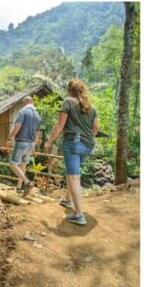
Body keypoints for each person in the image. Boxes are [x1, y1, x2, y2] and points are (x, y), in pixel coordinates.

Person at [44, 79, 99, 226]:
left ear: (70, 90)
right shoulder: (90, 107)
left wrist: (49, 141)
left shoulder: (68, 102)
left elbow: (60, 124)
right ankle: (68, 199)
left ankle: (79, 214)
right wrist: (87, 138)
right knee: (71, 173)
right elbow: (96, 129)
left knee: (74, 177)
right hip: (88, 145)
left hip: (73, 143)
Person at [5, 96, 42, 196]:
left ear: (25, 103)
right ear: (32, 102)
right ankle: (19, 187)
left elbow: (17, 126)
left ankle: (27, 182)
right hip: (31, 143)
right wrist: (34, 144)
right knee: (23, 164)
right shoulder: (38, 115)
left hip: (21, 142)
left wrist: (9, 138)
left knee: (13, 163)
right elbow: (38, 132)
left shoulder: (23, 112)